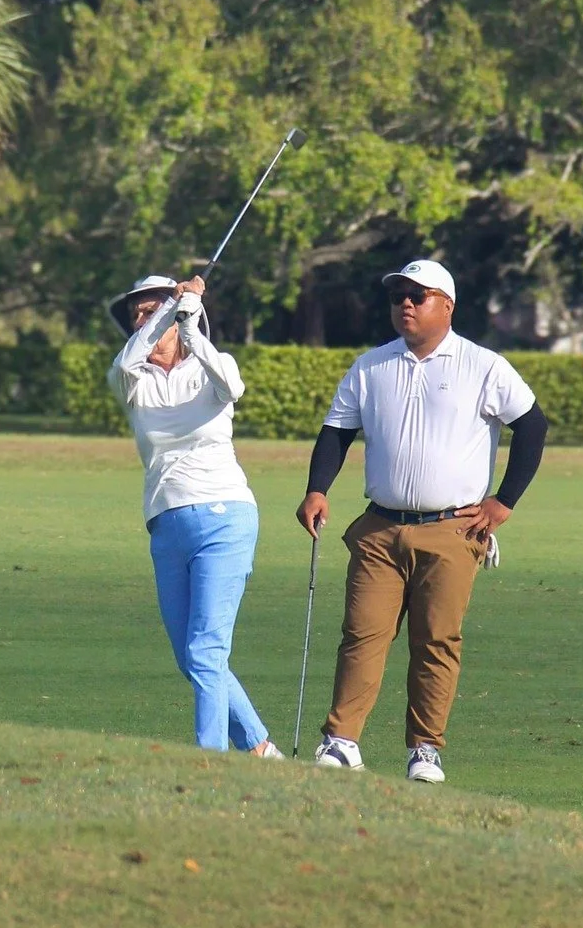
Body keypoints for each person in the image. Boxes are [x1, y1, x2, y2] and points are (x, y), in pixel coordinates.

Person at [295, 258, 549, 783]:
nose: (405, 305)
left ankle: (425, 749)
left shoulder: (483, 365)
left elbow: (532, 426)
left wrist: (503, 502)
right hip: (380, 527)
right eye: (398, 297)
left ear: (447, 305)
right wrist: (317, 489)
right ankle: (341, 741)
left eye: (418, 296)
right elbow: (337, 431)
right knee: (362, 634)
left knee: (435, 641)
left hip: (453, 528)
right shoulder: (371, 366)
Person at [109, 272, 282, 759]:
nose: (142, 321)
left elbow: (233, 386)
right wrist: (172, 306)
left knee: (207, 651)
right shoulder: (132, 377)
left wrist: (190, 325)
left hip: (225, 517)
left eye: (151, 311)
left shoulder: (212, 365)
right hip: (166, 524)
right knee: (191, 658)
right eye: (138, 314)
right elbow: (127, 358)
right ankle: (260, 749)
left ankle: (211, 762)